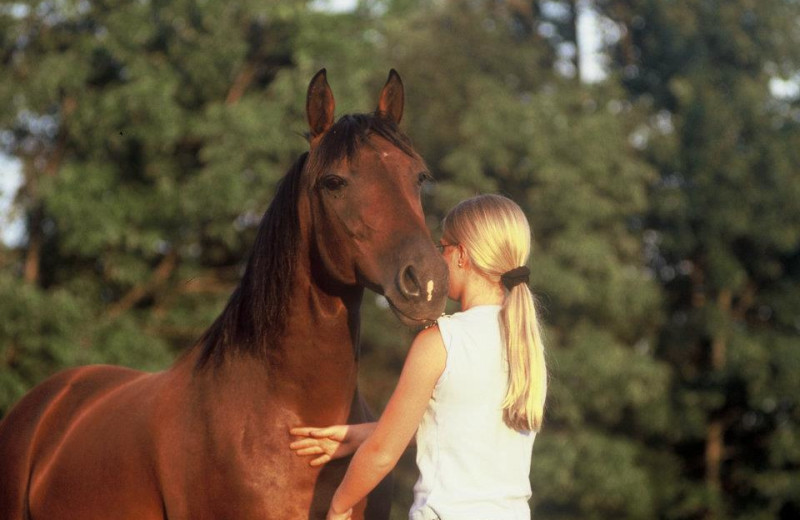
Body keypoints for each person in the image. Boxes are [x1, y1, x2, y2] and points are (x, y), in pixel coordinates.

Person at [289, 194, 548, 520]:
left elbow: (383, 454)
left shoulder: (441, 341)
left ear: (462, 256)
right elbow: (459, 429)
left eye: (443, 247)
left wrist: (339, 508)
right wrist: (361, 435)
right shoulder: (525, 344)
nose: (438, 258)